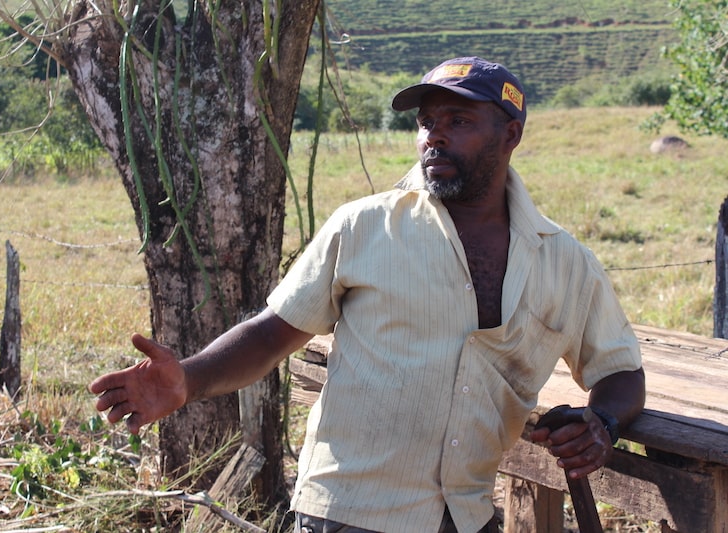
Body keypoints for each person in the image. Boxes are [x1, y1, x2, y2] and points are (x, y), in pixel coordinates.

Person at [89, 56, 646, 533]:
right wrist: (189, 378)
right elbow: (270, 334)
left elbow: (621, 372)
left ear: (511, 135)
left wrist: (604, 424)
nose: (434, 135)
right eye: (426, 122)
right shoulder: (362, 228)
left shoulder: (565, 261)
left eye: (458, 120)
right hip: (347, 513)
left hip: (466, 516)